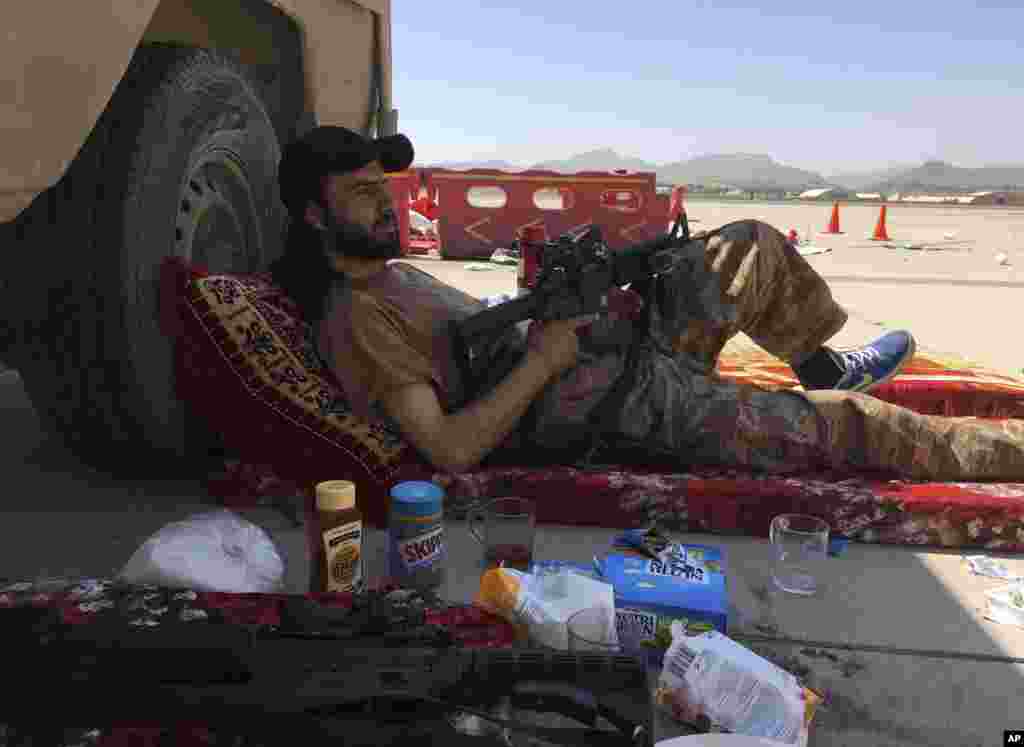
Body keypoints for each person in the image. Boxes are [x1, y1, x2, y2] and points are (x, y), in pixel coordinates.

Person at [270, 126, 1024, 482]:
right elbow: (452, 450)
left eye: (385, 188)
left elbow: (485, 338)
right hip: (598, 401)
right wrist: (545, 356)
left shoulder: (394, 277)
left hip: (598, 350)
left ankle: (823, 361)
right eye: (364, 194)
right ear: (312, 215)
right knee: (845, 429)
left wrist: (591, 303)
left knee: (744, 248)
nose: (385, 206)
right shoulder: (357, 316)